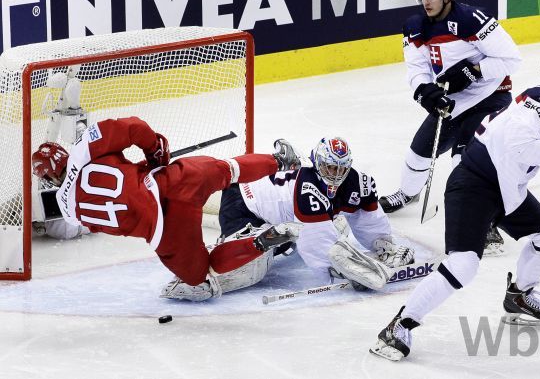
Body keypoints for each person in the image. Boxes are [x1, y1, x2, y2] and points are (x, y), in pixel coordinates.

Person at [369, 51, 540, 361]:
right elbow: (517, 141)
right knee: (464, 264)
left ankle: (520, 296)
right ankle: (399, 325)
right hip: (473, 184)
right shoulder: (538, 102)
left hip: (508, 192)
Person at [31, 116, 301, 301]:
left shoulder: (68, 209)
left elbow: (82, 227)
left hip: (164, 232)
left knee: (202, 275)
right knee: (228, 170)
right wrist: (155, 155)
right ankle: (280, 161)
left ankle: (259, 242)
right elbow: (135, 127)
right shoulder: (82, 149)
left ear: (48, 178)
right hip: (169, 183)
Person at [378, 0, 521, 255]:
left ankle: (485, 222)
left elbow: (512, 59)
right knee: (417, 153)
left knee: (464, 161)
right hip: (453, 102)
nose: (426, 1)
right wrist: (425, 93)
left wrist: (473, 70)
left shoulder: (473, 19)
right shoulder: (415, 26)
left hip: (490, 97)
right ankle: (408, 194)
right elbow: (417, 69)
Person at [218, 136, 416, 292]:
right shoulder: (308, 187)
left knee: (322, 227)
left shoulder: (359, 183)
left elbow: (368, 216)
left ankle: (282, 236)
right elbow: (315, 245)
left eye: (341, 168)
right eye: (330, 167)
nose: (335, 175)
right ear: (318, 163)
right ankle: (230, 242)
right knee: (256, 264)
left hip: (277, 209)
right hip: (241, 203)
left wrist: (383, 245)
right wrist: (339, 272)